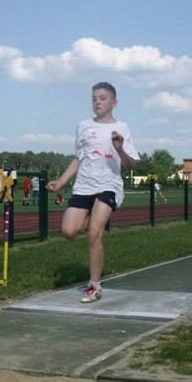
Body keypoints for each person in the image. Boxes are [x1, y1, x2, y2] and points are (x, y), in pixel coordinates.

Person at [46, 82, 138, 303]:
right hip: (84, 185)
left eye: (103, 98)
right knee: (69, 231)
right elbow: (79, 158)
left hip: (108, 185)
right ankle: (91, 218)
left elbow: (130, 165)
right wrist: (61, 182)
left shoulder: (122, 128)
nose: (98, 101)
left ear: (114, 102)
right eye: (94, 98)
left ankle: (94, 286)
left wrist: (119, 149)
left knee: (94, 234)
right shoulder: (83, 126)